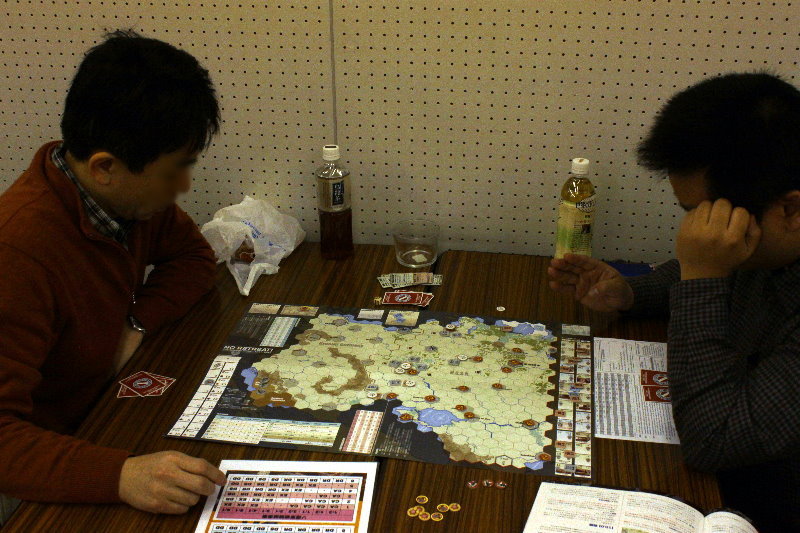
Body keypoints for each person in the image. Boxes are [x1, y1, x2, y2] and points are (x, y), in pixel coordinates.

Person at [548, 72, 800, 533]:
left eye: (707, 216)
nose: (695, 232)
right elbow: (720, 269)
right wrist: (631, 292)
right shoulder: (774, 243)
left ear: (789, 209)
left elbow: (713, 439)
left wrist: (703, 275)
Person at [0, 30, 227, 522]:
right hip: (44, 458)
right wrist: (118, 475)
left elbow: (193, 258)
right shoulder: (16, 252)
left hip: (106, 408)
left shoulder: (126, 200)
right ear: (105, 166)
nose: (184, 186)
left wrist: (135, 323)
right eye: (174, 170)